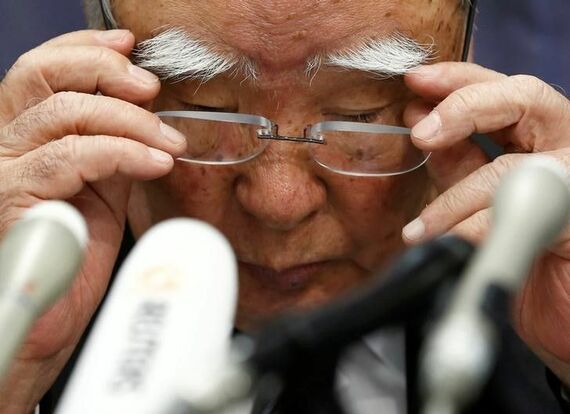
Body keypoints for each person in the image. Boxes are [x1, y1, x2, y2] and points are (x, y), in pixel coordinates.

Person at [0, 0, 569, 412]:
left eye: (359, 114)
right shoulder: (23, 278)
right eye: (205, 110)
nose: (279, 203)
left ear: (462, 64)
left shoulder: (537, 266)